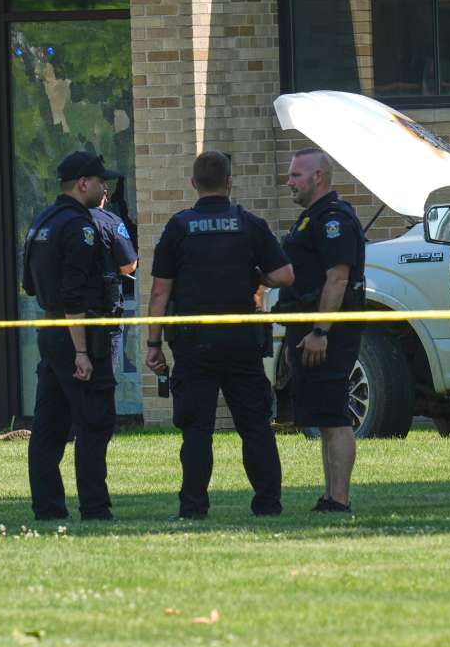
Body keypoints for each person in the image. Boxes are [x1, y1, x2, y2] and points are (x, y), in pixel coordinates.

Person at [144, 151, 294, 520]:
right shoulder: (248, 224)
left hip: (194, 343)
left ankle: (193, 508)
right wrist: (254, 275)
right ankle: (268, 504)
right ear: (229, 182)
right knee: (255, 426)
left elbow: (160, 292)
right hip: (242, 341)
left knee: (197, 430)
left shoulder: (178, 227)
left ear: (193, 184)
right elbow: (285, 276)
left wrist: (153, 344)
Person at [21, 151, 122, 521]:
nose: (104, 187)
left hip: (50, 332)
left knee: (49, 427)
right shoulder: (80, 226)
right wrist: (82, 351)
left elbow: (29, 286)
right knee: (94, 422)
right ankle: (95, 508)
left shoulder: (41, 221)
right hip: (79, 334)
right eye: (100, 181)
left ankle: (48, 508)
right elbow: (75, 295)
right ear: (83, 183)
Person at [279, 148, 366, 513]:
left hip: (328, 334)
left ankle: (339, 499)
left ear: (319, 177)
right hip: (308, 330)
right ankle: (330, 495)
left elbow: (338, 278)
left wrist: (320, 331)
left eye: (297, 175)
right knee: (324, 419)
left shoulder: (333, 219)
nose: (290, 181)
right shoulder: (310, 218)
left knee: (334, 417)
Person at [90, 184, 138, 377]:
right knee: (103, 383)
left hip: (65, 318)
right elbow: (129, 265)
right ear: (104, 197)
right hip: (104, 313)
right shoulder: (111, 222)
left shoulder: (58, 221)